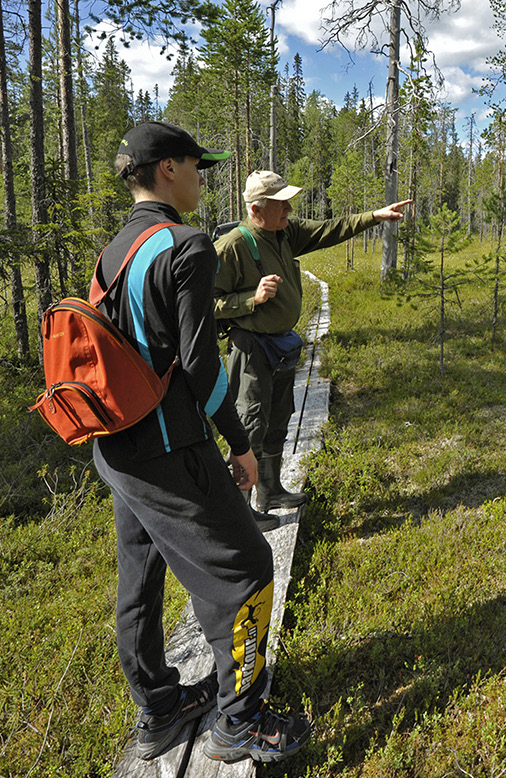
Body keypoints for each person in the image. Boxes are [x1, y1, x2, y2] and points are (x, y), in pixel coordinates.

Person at [94, 122, 310, 764]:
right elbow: (200, 365)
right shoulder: (187, 246)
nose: (201, 177)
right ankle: (239, 721)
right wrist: (241, 447)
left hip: (117, 449)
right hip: (170, 449)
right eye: (196, 165)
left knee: (139, 576)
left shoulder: (116, 250)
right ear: (166, 169)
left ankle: (158, 708)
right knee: (245, 570)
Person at [213, 170, 411, 511]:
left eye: (289, 203)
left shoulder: (285, 232)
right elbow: (203, 303)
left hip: (280, 347)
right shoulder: (231, 247)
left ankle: (271, 491)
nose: (290, 209)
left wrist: (375, 216)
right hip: (250, 351)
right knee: (249, 424)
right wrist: (251, 299)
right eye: (282, 204)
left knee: (278, 418)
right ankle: (240, 510)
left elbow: (330, 230)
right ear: (256, 209)